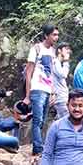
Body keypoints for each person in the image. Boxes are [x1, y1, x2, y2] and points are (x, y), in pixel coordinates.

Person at [22, 23, 59, 155]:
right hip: (37, 88)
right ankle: (37, 148)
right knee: (37, 120)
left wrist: (53, 92)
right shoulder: (36, 49)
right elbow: (28, 72)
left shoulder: (53, 52)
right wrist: (27, 95)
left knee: (43, 119)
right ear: (46, 35)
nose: (56, 37)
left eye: (57, 35)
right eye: (54, 35)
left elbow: (52, 73)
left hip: (47, 89)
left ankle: (39, 146)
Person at [52, 43, 72, 119]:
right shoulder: (55, 62)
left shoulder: (58, 63)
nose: (68, 51)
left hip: (62, 97)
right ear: (59, 50)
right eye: (66, 49)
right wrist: (66, 61)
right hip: (60, 98)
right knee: (66, 120)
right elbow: (63, 74)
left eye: (69, 49)